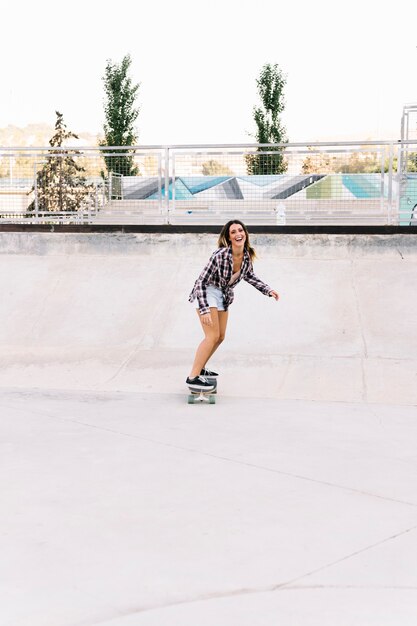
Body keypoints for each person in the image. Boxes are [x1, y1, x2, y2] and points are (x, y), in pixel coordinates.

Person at [187, 219, 279, 391]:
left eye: (240, 230)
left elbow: (250, 276)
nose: (238, 234)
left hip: (222, 295)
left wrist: (268, 290)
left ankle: (200, 369)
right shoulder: (219, 255)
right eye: (233, 232)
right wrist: (204, 308)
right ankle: (192, 377)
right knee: (211, 336)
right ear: (228, 238)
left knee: (220, 336)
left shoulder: (246, 256)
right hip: (206, 292)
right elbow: (200, 282)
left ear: (245, 233)